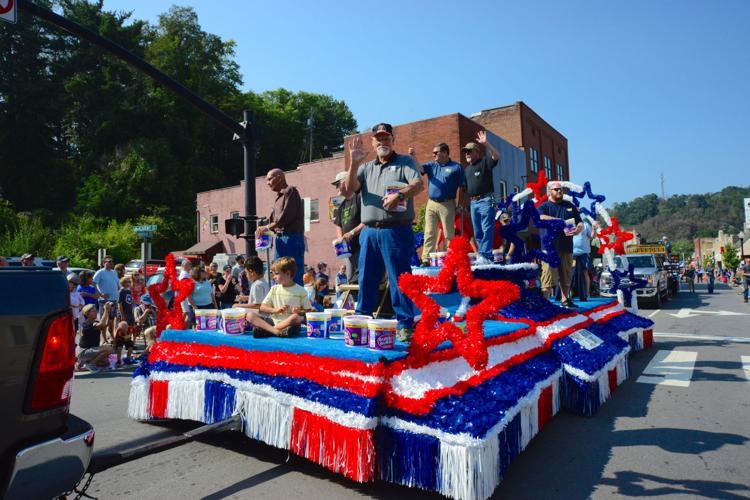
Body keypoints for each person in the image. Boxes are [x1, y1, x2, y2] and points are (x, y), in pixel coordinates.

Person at [340, 122, 423, 341]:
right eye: (379, 139)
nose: (383, 142)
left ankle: (405, 323)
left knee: (399, 279)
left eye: (387, 138)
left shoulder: (405, 161)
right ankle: (362, 318)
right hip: (369, 231)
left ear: (393, 140)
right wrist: (353, 162)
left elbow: (418, 184)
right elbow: (348, 190)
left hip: (396, 230)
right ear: (373, 142)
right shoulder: (366, 167)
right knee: (366, 277)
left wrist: (401, 194)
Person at [416, 142, 466, 265]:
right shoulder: (432, 166)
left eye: (436, 153)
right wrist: (413, 157)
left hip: (448, 203)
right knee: (429, 232)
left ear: (445, 153)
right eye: (433, 153)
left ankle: (451, 259)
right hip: (431, 203)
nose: (433, 155)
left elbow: (463, 188)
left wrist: (460, 205)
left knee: (449, 233)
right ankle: (426, 259)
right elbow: (419, 168)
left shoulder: (457, 167)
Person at [255, 169, 305, 285]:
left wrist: (266, 227)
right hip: (280, 239)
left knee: (292, 275)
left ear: (279, 177)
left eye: (269, 179)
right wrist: (267, 231)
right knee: (278, 274)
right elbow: (276, 222)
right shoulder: (279, 197)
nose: (267, 183)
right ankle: (281, 302)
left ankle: (296, 303)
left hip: (291, 238)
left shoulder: (290, 191)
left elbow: (285, 217)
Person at [537, 181, 583, 307]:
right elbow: (539, 217)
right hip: (550, 248)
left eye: (561, 189)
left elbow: (580, 222)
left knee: (566, 275)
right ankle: (545, 303)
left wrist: (578, 229)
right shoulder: (544, 206)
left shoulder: (569, 206)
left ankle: (565, 300)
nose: (559, 191)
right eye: (556, 189)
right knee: (548, 276)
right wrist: (558, 220)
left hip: (566, 246)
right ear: (549, 192)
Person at [244, 256, 311, 338]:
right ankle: (276, 331)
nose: (273, 276)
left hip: (290, 324)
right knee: (249, 315)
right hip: (273, 321)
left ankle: (267, 331)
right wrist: (275, 310)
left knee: (296, 317)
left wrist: (299, 311)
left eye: (276, 273)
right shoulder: (274, 289)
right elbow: (262, 307)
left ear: (288, 273)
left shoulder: (301, 290)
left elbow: (308, 311)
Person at [462, 131, 501, 261]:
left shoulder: (484, 162)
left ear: (477, 152)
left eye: (469, 151)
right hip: (473, 203)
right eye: (465, 152)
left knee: (486, 228)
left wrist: (486, 144)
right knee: (478, 232)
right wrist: (464, 205)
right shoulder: (466, 170)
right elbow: (466, 190)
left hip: (486, 200)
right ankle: (485, 256)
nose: (467, 154)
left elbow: (496, 156)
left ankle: (485, 255)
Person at [332, 171, 364, 280]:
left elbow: (367, 221)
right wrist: (340, 238)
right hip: (349, 250)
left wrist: (352, 232)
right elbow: (338, 225)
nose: (336, 188)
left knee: (363, 277)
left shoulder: (360, 197)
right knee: (351, 279)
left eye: (338, 184)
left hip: (362, 246)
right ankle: (355, 298)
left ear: (346, 183)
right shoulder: (342, 205)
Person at [76, 303, 114, 371]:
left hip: (90, 350)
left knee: (106, 363)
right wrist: (105, 310)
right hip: (83, 351)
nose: (96, 312)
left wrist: (107, 311)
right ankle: (90, 364)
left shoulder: (94, 322)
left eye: (95, 311)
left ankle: (84, 363)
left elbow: (105, 325)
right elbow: (102, 324)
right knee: (109, 349)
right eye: (93, 311)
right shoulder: (87, 324)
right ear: (87, 314)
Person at [93, 255, 119, 341]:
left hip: (114, 300)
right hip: (105, 301)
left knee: (111, 320)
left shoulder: (114, 272)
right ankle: (104, 339)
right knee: (104, 321)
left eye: (112, 261)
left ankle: (111, 336)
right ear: (104, 263)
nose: (111, 263)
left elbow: (117, 284)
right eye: (109, 261)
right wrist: (100, 294)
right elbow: (93, 283)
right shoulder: (100, 272)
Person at [572, 219, 594, 301]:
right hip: (572, 253)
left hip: (584, 253)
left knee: (585, 272)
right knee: (571, 273)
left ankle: (587, 293)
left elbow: (591, 237)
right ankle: (569, 294)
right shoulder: (569, 223)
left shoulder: (586, 225)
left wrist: (594, 229)